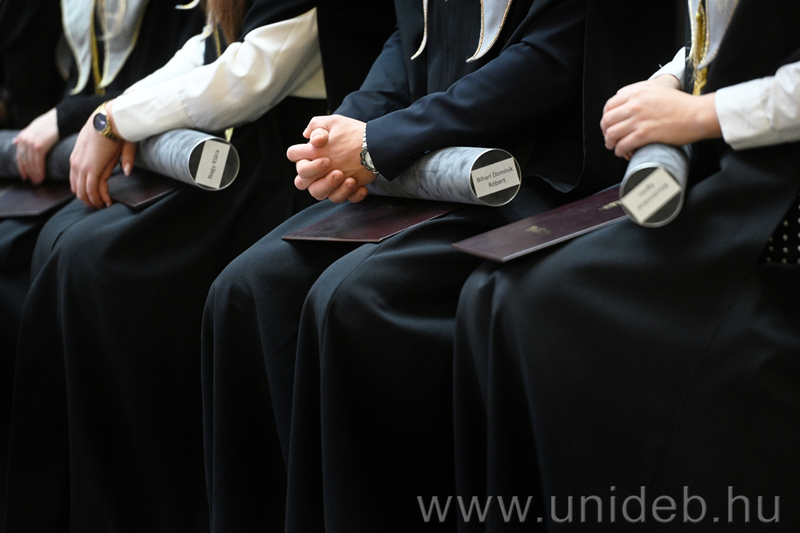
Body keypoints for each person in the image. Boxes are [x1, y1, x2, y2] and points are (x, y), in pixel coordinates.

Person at [201, 0, 677, 530]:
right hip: (418, 163)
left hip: (527, 172)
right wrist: (341, 134)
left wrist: (378, 142)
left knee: (356, 301)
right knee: (248, 287)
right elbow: (410, 35)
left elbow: (551, 57)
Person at [5, 1, 395, 532]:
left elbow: (252, 74)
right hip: (249, 155)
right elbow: (209, 47)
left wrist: (115, 119)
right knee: (68, 248)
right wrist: (112, 114)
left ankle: (157, 506)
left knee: (95, 265)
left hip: (292, 174)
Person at [453, 0, 800, 530]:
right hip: (720, 169)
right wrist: (668, 79)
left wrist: (698, 114)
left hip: (777, 207)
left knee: (532, 305)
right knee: (487, 297)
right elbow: (713, 35)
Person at [0, 1, 203, 530]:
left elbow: (196, 65)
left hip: (166, 153)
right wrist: (89, 117)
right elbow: (29, 87)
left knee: (77, 257)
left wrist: (95, 116)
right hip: (86, 149)